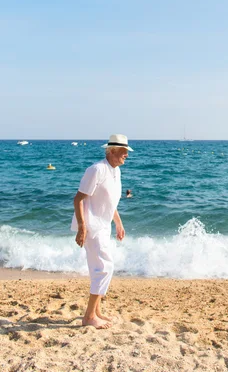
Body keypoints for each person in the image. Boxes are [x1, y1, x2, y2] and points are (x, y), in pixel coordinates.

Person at [71, 133, 133, 329]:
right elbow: (78, 199)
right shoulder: (96, 169)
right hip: (92, 226)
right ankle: (89, 317)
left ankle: (96, 311)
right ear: (112, 151)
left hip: (104, 225)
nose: (126, 155)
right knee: (104, 268)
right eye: (124, 152)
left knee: (102, 268)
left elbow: (110, 202)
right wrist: (82, 227)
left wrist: (119, 223)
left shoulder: (115, 172)